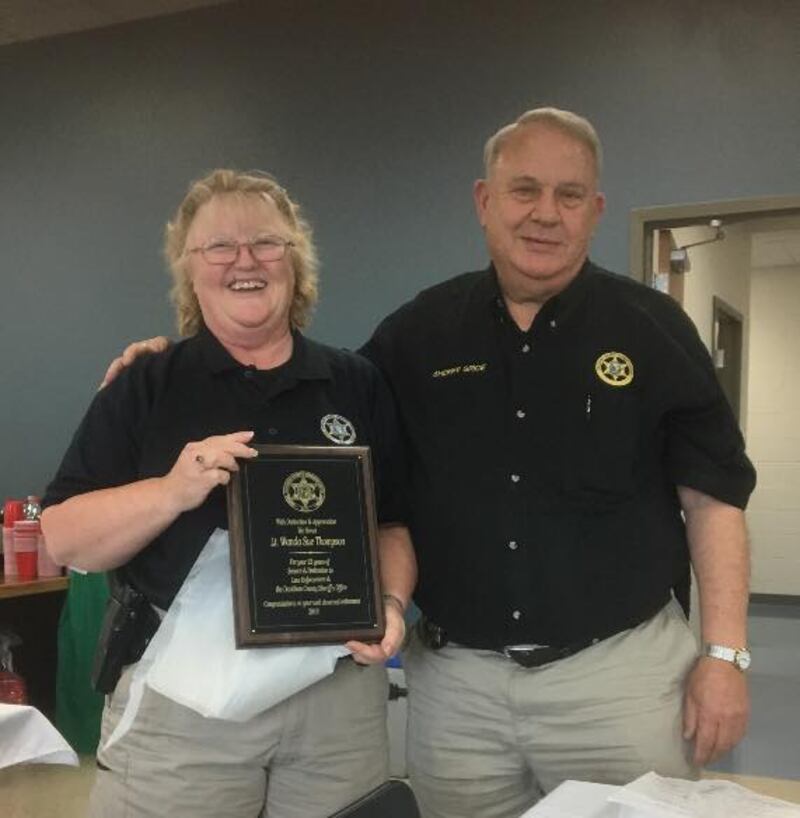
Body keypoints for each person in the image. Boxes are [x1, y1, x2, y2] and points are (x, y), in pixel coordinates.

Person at [103, 109, 756, 818]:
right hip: (458, 694)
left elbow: (713, 500)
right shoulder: (418, 334)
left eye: (569, 196)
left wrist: (724, 657)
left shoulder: (654, 329)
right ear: (484, 201)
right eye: (524, 190)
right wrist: (173, 367)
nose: (545, 214)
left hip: (620, 680)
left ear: (595, 210)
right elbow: (306, 401)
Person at [41, 169, 416, 818]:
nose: (245, 260)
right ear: (188, 269)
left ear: (296, 260)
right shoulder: (146, 384)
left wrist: (388, 602)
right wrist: (170, 491)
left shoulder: (355, 382)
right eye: (218, 246)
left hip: (334, 697)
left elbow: (393, 525)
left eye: (266, 242)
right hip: (185, 707)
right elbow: (64, 536)